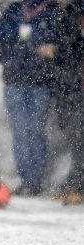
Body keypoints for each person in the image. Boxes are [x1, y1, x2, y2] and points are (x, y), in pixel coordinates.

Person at [0, 0, 62, 196]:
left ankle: (36, 179)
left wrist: (46, 53)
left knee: (36, 130)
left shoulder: (52, 11)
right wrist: (13, 57)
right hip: (14, 81)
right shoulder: (13, 11)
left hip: (41, 82)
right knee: (20, 131)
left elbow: (61, 44)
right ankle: (26, 180)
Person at [51, 0, 83, 204]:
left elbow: (72, 48)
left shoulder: (76, 13)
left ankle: (78, 187)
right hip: (70, 86)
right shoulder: (66, 14)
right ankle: (75, 182)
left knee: (80, 138)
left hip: (76, 85)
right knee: (76, 138)